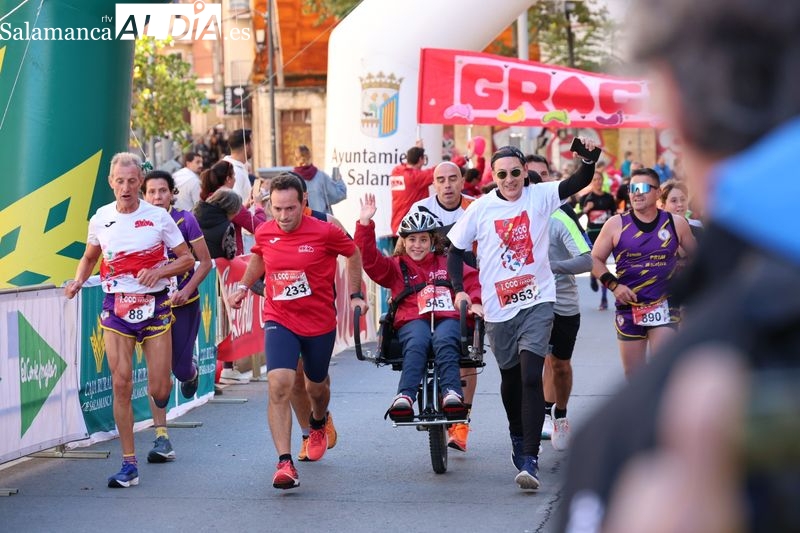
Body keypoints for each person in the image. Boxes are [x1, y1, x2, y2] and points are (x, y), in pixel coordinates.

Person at [560, 0, 800, 530]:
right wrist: (615, 283)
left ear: (678, 109)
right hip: (637, 310)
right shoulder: (617, 225)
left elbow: (692, 251)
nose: (644, 192)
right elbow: (599, 257)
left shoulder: (638, 438)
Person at [447, 141, 598, 491]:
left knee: (532, 374)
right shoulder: (481, 208)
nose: (510, 179)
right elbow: (454, 250)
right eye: (502, 174)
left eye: (516, 172)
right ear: (494, 177)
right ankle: (517, 434)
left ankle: (530, 458)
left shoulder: (541, 196)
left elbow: (578, 180)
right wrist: (459, 289)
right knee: (511, 380)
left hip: (538, 300)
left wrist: (589, 159)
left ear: (524, 174)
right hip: (500, 309)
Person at [227, 174, 366, 490]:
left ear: (304, 203)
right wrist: (244, 286)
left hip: (318, 322)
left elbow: (353, 253)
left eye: (290, 208)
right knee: (280, 384)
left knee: (316, 387)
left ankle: (319, 421)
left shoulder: (325, 231)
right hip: (280, 318)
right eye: (277, 209)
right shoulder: (265, 231)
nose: (284, 216)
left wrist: (356, 293)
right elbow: (260, 256)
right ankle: (284, 462)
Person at [64, 153, 195, 488]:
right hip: (116, 307)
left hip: (155, 307)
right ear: (111, 183)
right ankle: (129, 464)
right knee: (120, 383)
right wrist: (78, 279)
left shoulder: (158, 217)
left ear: (141, 181)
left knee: (158, 388)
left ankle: (166, 398)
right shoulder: (101, 218)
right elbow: (90, 256)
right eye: (119, 181)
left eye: (132, 181)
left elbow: (186, 260)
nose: (125, 187)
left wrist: (158, 271)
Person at [356, 194, 481, 424]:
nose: (417, 245)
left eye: (423, 239)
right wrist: (365, 224)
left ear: (432, 241)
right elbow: (370, 262)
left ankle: (452, 393)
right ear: (403, 241)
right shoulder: (396, 266)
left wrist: (475, 302)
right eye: (412, 239)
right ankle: (405, 395)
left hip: (448, 318)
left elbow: (472, 281)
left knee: (445, 338)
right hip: (412, 320)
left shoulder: (447, 262)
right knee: (417, 341)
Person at [591, 167, 695, 380]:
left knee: (663, 369)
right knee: (634, 375)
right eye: (632, 188)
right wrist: (614, 285)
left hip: (665, 306)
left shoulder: (676, 223)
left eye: (643, 188)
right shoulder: (615, 224)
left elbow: (700, 259)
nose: (636, 193)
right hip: (629, 309)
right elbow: (594, 259)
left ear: (658, 193)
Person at [141, 170, 213, 463]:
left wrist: (186, 289)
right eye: (152, 192)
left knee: (180, 370)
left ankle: (192, 371)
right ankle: (161, 437)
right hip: (152, 308)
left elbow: (205, 263)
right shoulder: (138, 222)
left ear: (172, 193)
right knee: (158, 374)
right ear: (145, 195)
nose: (157, 197)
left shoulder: (186, 220)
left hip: (185, 304)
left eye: (162, 191)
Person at [406, 161, 477, 451]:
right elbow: (406, 251)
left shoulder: (476, 207)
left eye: (452, 179)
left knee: (468, 354)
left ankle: (461, 421)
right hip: (428, 288)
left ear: (462, 182)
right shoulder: (420, 209)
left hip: (466, 283)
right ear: (433, 184)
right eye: (441, 180)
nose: (447, 185)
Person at [527, 158, 593, 450]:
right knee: (530, 364)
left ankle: (560, 415)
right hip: (526, 302)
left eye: (542, 176)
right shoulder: (507, 210)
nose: (536, 181)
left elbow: (588, 258)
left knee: (560, 365)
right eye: (530, 175)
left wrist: (551, 266)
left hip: (561, 302)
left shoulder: (562, 214)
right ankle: (534, 422)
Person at [196, 161, 266, 383]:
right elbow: (259, 227)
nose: (236, 179)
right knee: (223, 319)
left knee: (212, 320)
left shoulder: (202, 207)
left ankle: (214, 372)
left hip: (201, 276)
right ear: (227, 179)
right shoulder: (228, 207)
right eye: (234, 175)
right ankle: (225, 368)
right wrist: (259, 206)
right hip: (226, 271)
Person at [580, 172, 617, 310]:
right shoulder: (586, 198)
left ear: (603, 181)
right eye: (595, 179)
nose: (597, 182)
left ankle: (604, 299)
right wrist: (586, 209)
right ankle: (592, 275)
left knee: (603, 263)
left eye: (600, 179)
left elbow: (614, 215)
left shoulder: (609, 198)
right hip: (591, 233)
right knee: (593, 260)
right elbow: (576, 215)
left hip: (605, 233)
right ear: (592, 182)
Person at [390, 144, 434, 236]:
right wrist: (464, 159)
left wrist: (418, 150)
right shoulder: (416, 178)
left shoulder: (396, 171)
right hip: (412, 227)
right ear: (420, 160)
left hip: (397, 225)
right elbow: (439, 171)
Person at [292, 145, 346, 214]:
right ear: (310, 157)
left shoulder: (291, 179)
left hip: (300, 223)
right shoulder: (321, 176)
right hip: (321, 221)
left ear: (295, 159)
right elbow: (338, 195)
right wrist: (339, 180)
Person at [223, 128, 253, 202]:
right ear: (246, 146)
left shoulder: (234, 167)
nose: (253, 146)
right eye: (252, 143)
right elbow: (235, 207)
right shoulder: (234, 171)